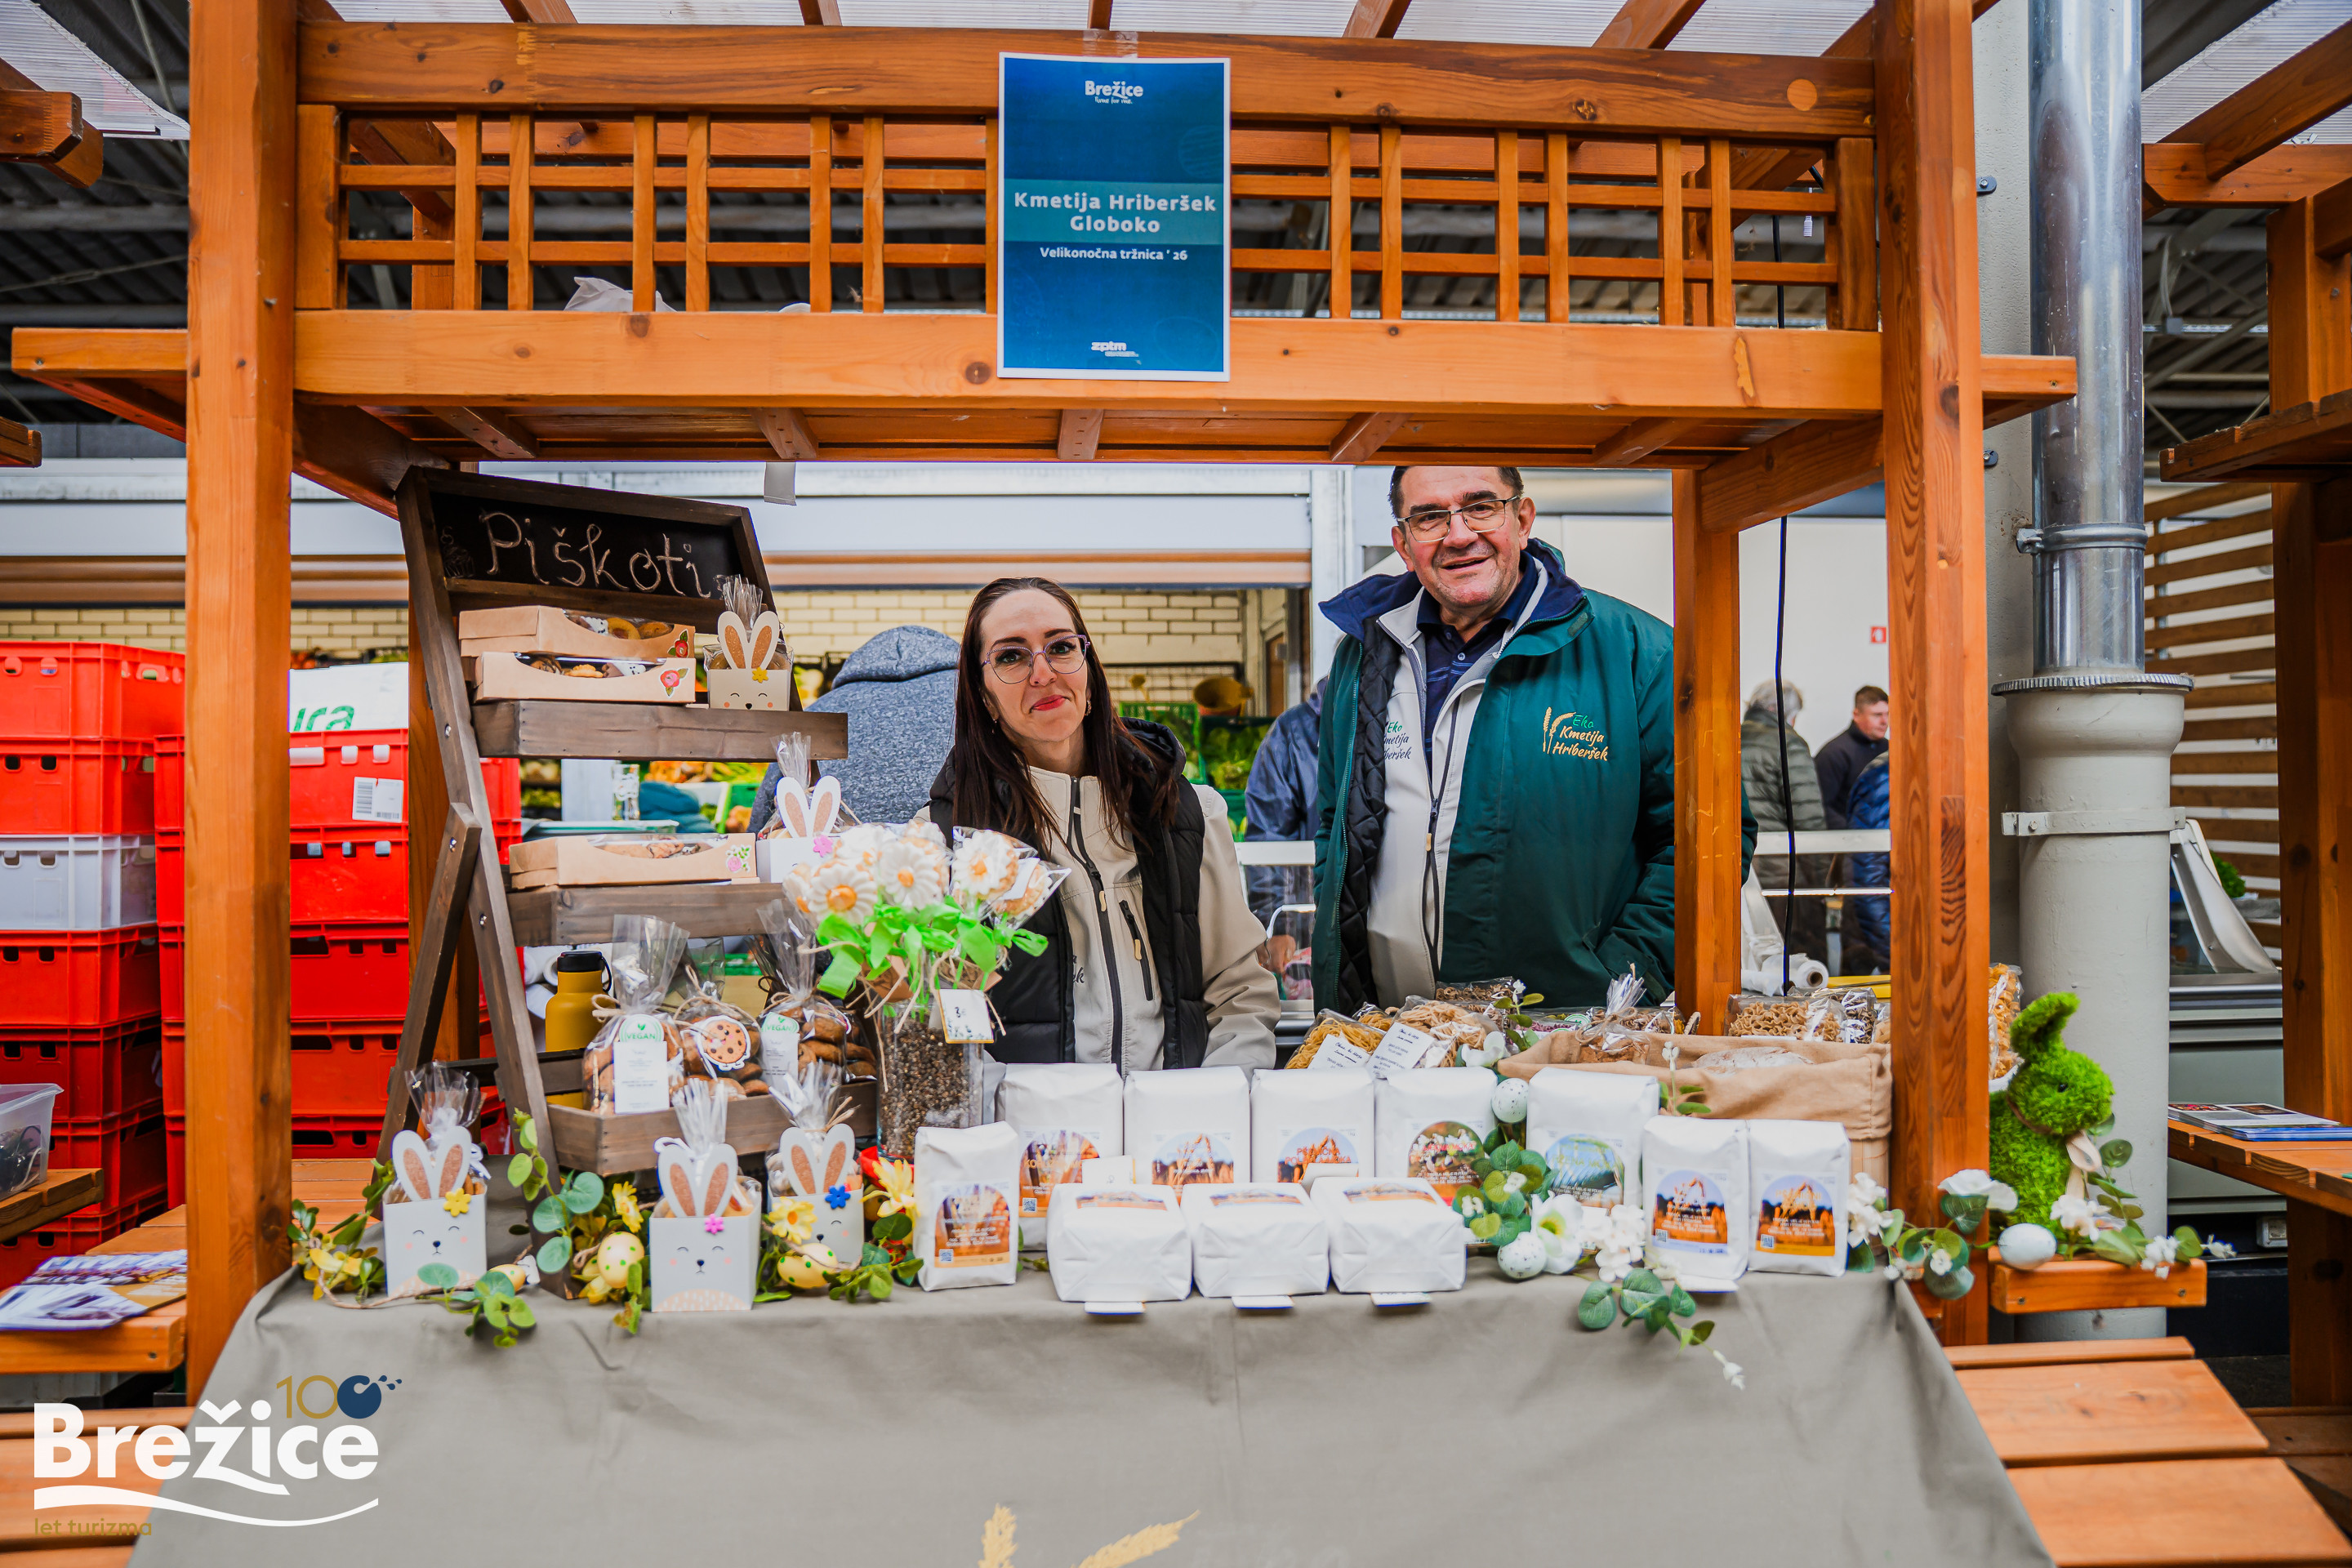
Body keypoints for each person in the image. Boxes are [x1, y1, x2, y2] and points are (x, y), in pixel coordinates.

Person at [1312, 466, 1731, 1010]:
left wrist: (1625, 976)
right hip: (1392, 1026)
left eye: (1481, 506)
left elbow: (1705, 835)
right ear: (1403, 543)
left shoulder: (1634, 652)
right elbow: (1334, 823)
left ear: (1523, 518)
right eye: (1430, 517)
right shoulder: (1365, 651)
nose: (1459, 534)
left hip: (1565, 1029)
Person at [928, 577, 1276, 1071]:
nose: (1043, 673)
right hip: (1033, 1138)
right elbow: (946, 1019)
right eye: (1011, 657)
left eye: (1061, 647)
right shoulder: (945, 840)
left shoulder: (1187, 812)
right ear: (983, 695)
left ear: (1087, 667)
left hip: (1177, 1136)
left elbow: (1239, 992)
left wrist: (1210, 1108)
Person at [751, 625, 958, 831]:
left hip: (830, 861)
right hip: (959, 858)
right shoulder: (978, 706)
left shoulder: (815, 714)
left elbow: (760, 827)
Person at [1741, 678, 1828, 961]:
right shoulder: (1787, 743)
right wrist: (1820, 879)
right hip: (1780, 875)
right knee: (1796, 967)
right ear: (1784, 712)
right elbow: (1808, 817)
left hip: (1738, 867)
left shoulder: (1728, 735)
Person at [1242, 676, 1325, 960]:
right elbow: (1269, 832)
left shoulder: (1401, 724)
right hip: (1312, 921)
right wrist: (1275, 923)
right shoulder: (1295, 731)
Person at [1842, 751, 1891, 975]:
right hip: (1874, 932)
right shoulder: (1885, 777)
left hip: (1878, 924)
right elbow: (1867, 876)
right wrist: (1892, 949)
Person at [1815, 684, 1890, 831]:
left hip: (1885, 840)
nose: (1884, 721)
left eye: (1887, 714)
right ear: (1856, 715)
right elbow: (1821, 807)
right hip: (1850, 843)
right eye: (1877, 715)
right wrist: (1853, 835)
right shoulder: (1834, 754)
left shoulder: (1891, 750)